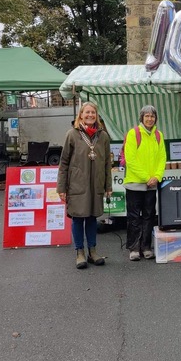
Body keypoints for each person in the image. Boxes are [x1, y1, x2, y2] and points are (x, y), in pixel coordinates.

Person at [57, 102, 112, 269]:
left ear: (96, 116)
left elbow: (107, 163)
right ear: (80, 115)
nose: (90, 115)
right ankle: (79, 252)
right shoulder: (72, 135)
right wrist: (61, 188)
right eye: (87, 112)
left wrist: (108, 186)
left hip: (96, 184)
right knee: (78, 217)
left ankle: (93, 251)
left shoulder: (103, 136)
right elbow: (64, 162)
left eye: (93, 112)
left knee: (92, 218)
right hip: (76, 185)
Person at [123, 105, 166, 261]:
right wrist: (147, 177)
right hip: (135, 183)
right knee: (134, 217)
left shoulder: (159, 135)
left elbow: (162, 158)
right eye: (146, 116)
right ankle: (134, 248)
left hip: (151, 184)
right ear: (141, 118)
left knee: (149, 216)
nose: (150, 119)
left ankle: (146, 247)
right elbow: (131, 159)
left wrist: (157, 176)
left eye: (152, 116)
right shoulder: (133, 134)